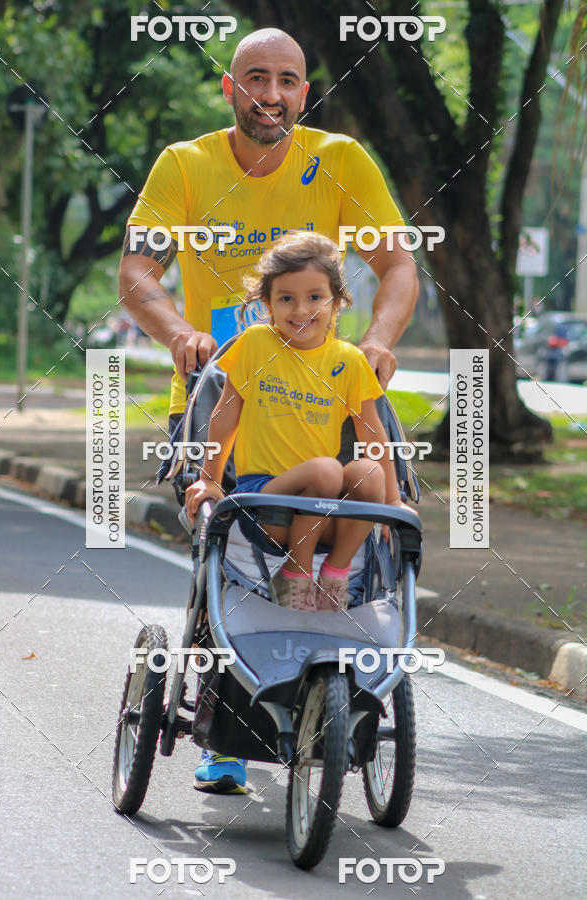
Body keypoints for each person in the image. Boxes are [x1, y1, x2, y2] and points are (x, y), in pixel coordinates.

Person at [118, 26, 418, 795]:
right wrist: (180, 333)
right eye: (255, 78)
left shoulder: (342, 160)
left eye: (287, 80)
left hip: (327, 397)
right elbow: (138, 271)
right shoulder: (184, 166)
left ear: (304, 92)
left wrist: (379, 341)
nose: (271, 95)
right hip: (220, 395)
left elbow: (397, 266)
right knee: (224, 555)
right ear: (230, 88)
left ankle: (340, 681)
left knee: (367, 510)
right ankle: (221, 732)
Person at [184, 232, 418, 791]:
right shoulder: (254, 345)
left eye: (315, 297)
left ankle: (332, 571)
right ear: (267, 304)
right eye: (285, 298)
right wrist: (209, 478)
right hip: (268, 502)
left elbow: (375, 438)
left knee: (362, 472)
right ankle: (294, 570)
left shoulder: (348, 362)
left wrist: (393, 506)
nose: (300, 309)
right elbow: (225, 415)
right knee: (327, 471)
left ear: (337, 302)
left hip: (328, 511)